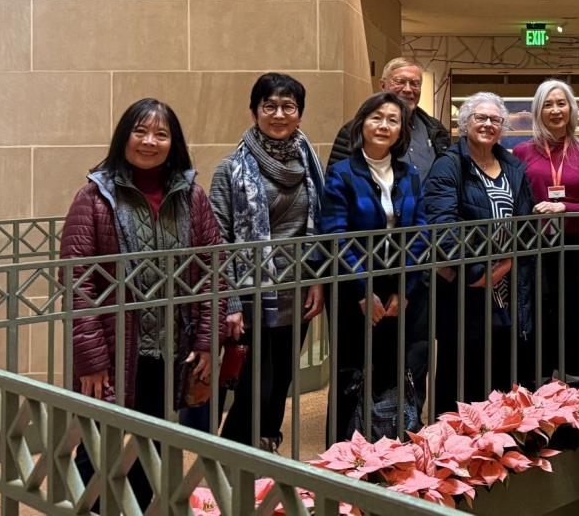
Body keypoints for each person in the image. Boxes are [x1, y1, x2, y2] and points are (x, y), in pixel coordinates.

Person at [61, 98, 235, 507]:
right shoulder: (95, 197)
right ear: (124, 137)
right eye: (140, 131)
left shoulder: (191, 196)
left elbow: (213, 272)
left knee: (153, 444)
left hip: (170, 349)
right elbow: (77, 283)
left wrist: (206, 340)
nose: (149, 142)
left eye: (161, 134)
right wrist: (91, 360)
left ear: (173, 143)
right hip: (112, 350)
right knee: (97, 446)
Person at [209, 73, 327, 452]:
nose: (279, 114)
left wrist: (317, 280)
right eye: (269, 106)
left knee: (281, 382)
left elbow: (318, 230)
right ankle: (236, 458)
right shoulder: (231, 169)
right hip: (251, 295)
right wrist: (229, 301)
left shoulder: (310, 164)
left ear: (299, 113)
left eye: (288, 106)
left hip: (297, 291)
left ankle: (267, 445)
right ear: (254, 111)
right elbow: (218, 242)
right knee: (253, 386)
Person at [320, 92, 429, 441]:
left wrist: (403, 289)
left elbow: (420, 234)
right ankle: (343, 454)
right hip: (352, 287)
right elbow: (335, 236)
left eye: (393, 120)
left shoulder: (410, 174)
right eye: (376, 118)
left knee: (391, 371)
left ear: (402, 130)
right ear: (361, 124)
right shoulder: (342, 173)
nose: (384, 125)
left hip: (397, 287)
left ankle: (388, 451)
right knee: (351, 373)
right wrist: (363, 290)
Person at [423, 92, 536, 412]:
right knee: (462, 374)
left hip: (507, 286)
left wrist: (508, 263)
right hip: (465, 286)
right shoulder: (448, 165)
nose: (488, 124)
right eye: (480, 118)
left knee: (502, 373)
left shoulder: (514, 166)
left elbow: (526, 225)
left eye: (495, 120)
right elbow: (442, 227)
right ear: (465, 122)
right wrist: (478, 273)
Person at [512, 79, 579, 385]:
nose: (555, 110)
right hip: (535, 247)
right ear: (538, 111)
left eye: (561, 104)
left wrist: (563, 206)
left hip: (574, 246)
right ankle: (536, 384)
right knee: (539, 314)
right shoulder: (522, 152)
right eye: (548, 104)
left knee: (578, 314)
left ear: (571, 109)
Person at [327, 57, 450, 177]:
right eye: (400, 82)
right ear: (382, 85)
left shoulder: (436, 130)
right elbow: (337, 179)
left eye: (414, 83)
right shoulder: (355, 130)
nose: (408, 89)